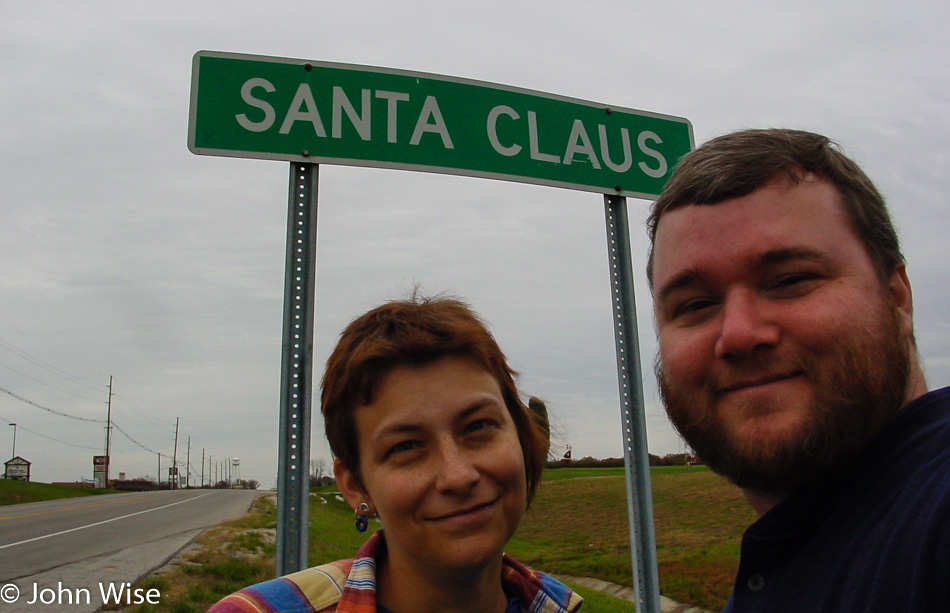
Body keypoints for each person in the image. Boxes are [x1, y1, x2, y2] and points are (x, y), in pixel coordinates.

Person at [647, 128, 950, 612]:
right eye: (695, 305)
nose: (740, 334)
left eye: (791, 280)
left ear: (897, 297)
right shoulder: (790, 556)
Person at [207, 295, 583, 613]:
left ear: (521, 435)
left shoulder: (560, 603)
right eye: (406, 447)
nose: (458, 475)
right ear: (356, 487)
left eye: (478, 427)